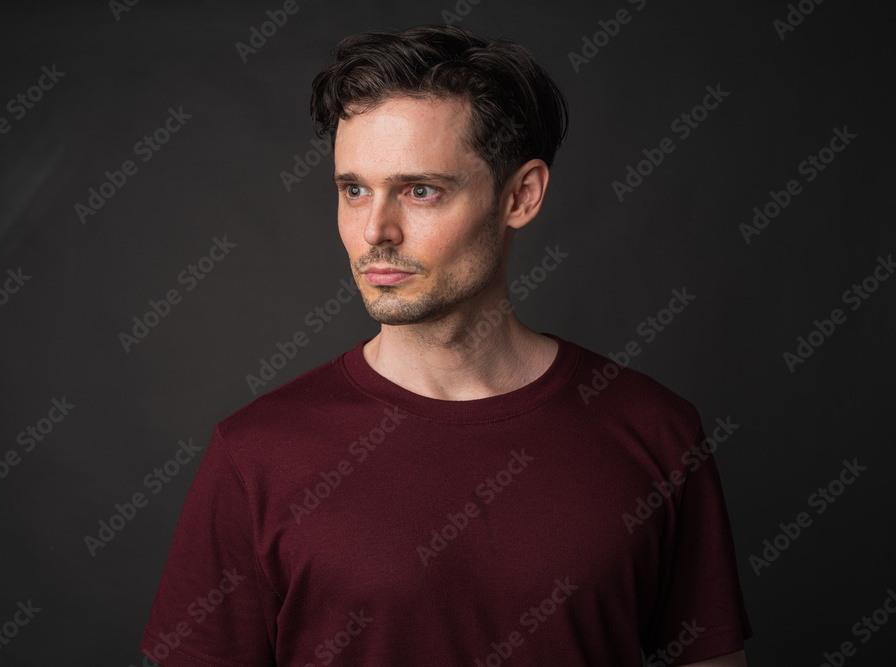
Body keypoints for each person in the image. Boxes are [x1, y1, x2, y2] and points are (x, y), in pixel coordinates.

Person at [140, 24, 752, 666]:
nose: (376, 230)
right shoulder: (255, 455)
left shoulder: (655, 432)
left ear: (521, 196)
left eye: (420, 190)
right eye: (354, 189)